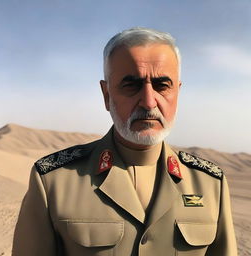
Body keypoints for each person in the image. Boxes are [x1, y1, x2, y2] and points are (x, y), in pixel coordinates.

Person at [12, 27, 238, 256]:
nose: (149, 102)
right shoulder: (54, 182)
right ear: (107, 95)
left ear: (177, 92)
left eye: (162, 85)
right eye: (131, 85)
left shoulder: (210, 185)